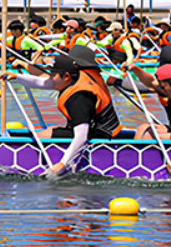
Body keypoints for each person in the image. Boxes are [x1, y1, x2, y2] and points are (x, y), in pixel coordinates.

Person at [7, 46, 123, 176]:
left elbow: (81, 136)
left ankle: (22, 161)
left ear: (67, 76)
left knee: (43, 135)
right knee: (49, 131)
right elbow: (42, 82)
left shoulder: (79, 97)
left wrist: (62, 164)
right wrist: (16, 77)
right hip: (101, 130)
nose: (50, 77)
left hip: (100, 137)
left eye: (53, 74)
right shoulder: (78, 78)